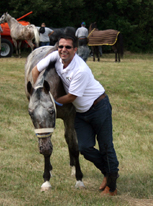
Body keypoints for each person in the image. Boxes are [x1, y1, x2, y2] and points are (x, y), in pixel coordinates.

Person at [32, 35, 119, 196]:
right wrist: (40, 94)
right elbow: (35, 70)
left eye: (68, 47)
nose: (63, 50)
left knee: (106, 146)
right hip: (81, 112)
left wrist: (52, 100)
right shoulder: (56, 56)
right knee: (84, 148)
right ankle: (108, 172)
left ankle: (111, 186)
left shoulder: (81, 70)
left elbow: (71, 97)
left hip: (99, 107)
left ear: (75, 50)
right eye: (61, 46)